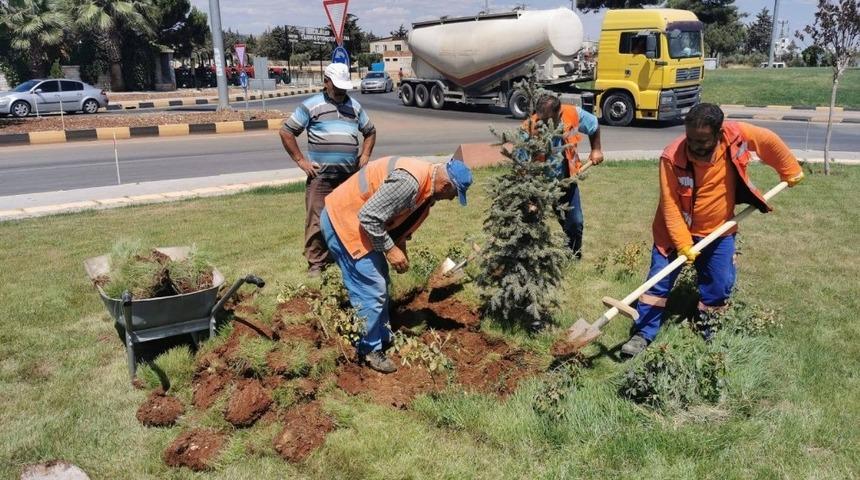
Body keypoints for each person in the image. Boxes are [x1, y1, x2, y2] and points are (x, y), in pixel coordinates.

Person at [620, 103, 804, 357]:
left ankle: (707, 325)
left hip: (718, 231)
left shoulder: (735, 135)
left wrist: (789, 168)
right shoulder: (671, 157)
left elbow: (768, 140)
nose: (694, 145)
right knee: (657, 284)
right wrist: (683, 243)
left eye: (702, 140)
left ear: (718, 133)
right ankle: (643, 333)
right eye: (690, 138)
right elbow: (670, 205)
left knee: (719, 284)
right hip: (673, 232)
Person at [320, 155, 473, 373]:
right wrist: (390, 250)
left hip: (359, 223)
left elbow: (398, 221)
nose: (450, 200)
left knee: (380, 280)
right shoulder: (409, 183)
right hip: (345, 221)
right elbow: (369, 217)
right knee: (372, 288)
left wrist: (400, 248)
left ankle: (381, 336)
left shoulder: (426, 191)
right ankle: (369, 350)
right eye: (453, 194)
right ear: (446, 185)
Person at [280, 62, 377, 276]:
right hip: (321, 177)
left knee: (348, 218)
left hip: (348, 177)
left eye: (344, 87)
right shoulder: (311, 105)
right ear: (326, 82)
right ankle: (316, 263)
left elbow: (370, 131)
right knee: (316, 221)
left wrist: (366, 155)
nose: (342, 91)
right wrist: (301, 161)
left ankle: (345, 258)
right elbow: (287, 131)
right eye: (337, 86)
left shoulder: (355, 107)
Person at [523, 95, 604, 259]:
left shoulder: (571, 113)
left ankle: (573, 255)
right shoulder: (528, 129)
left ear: (558, 113)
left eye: (547, 120)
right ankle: (526, 258)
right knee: (529, 222)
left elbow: (593, 124)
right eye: (541, 118)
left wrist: (596, 149)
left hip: (567, 180)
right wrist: (530, 199)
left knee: (575, 222)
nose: (543, 123)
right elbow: (522, 167)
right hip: (539, 186)